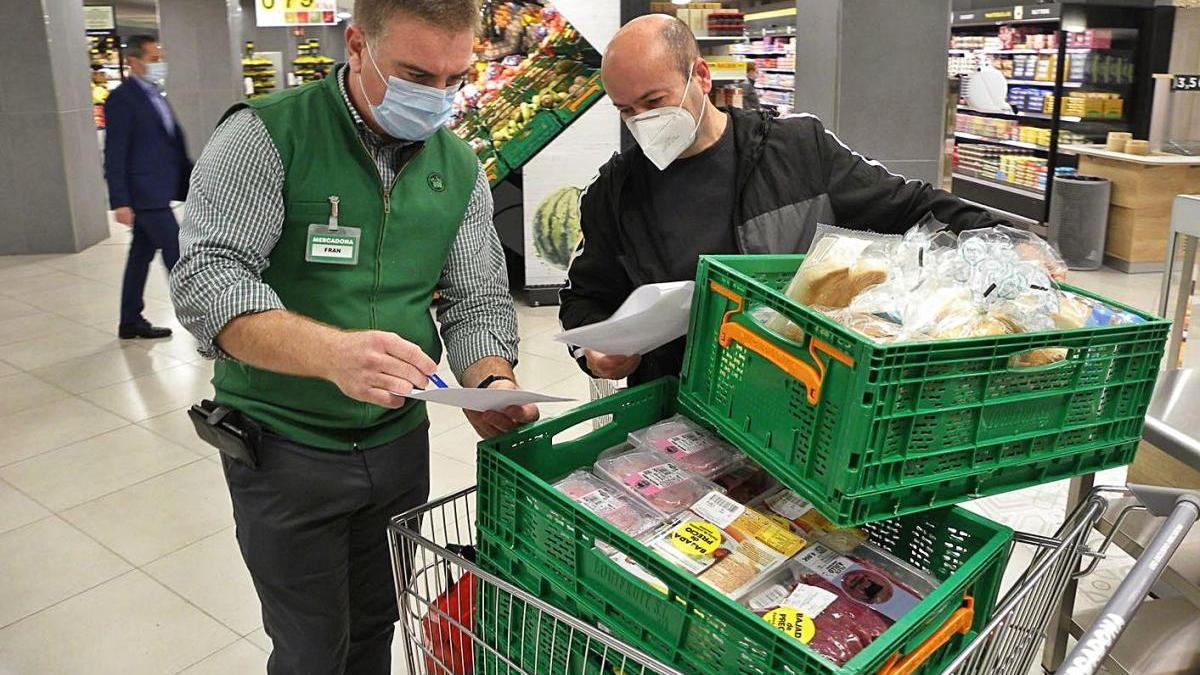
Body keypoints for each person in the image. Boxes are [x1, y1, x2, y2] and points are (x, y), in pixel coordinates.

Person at [170, 1, 539, 672]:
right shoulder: (268, 136)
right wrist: (331, 354)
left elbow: (476, 298)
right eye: (415, 73)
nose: (436, 97)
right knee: (312, 647)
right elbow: (206, 278)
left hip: (398, 447)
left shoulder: (458, 168)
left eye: (454, 77)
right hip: (284, 446)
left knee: (376, 626)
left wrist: (492, 382)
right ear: (357, 44)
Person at [559, 15, 1005, 386]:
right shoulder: (613, 194)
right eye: (626, 110)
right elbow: (583, 300)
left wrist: (1003, 240)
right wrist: (594, 354)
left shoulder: (797, 150)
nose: (643, 120)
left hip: (803, 393)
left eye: (653, 101)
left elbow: (909, 205)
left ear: (700, 75)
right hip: (680, 405)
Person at [104, 35, 190, 339]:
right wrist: (120, 200)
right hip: (144, 194)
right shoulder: (122, 100)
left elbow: (169, 144)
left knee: (140, 254)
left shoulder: (155, 95)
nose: (159, 63)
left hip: (160, 187)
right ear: (134, 61)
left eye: (160, 56)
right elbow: (115, 153)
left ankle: (129, 320)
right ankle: (204, 320)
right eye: (153, 58)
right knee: (177, 252)